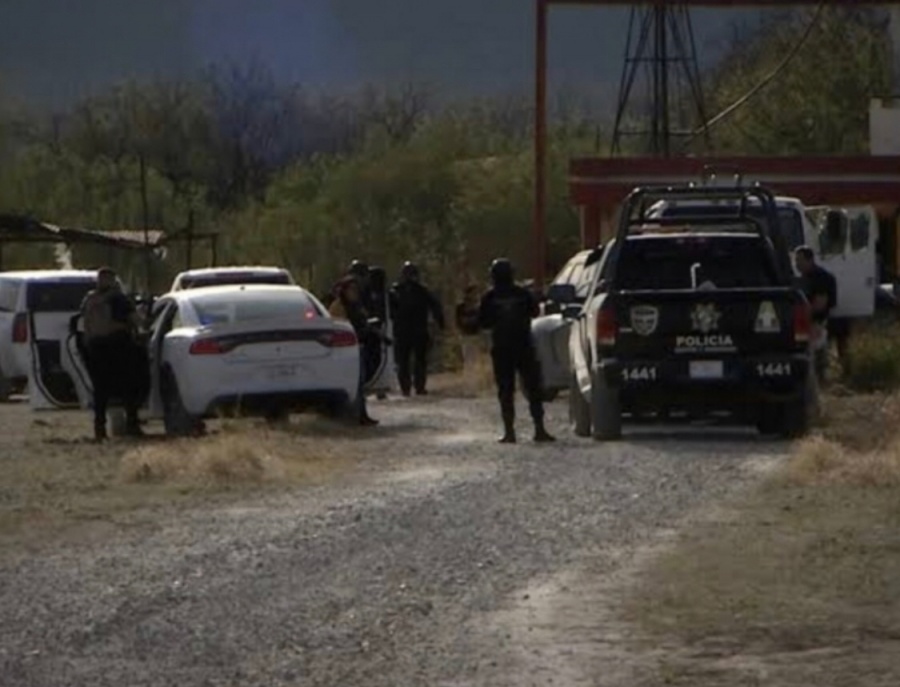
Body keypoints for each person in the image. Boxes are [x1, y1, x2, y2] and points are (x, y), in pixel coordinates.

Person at [478, 258, 554, 444]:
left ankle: (509, 432)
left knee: (505, 391)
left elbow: (483, 322)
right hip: (523, 346)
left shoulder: (490, 297)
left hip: (502, 349)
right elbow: (535, 312)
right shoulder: (522, 294)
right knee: (533, 389)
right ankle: (539, 429)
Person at [77, 267, 146, 441]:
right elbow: (136, 320)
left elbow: (82, 324)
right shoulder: (118, 299)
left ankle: (99, 429)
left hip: (94, 350)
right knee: (128, 388)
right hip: (119, 347)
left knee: (100, 391)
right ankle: (131, 425)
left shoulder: (89, 299)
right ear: (112, 280)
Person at [389, 262, 445, 396]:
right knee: (408, 361)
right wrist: (440, 322)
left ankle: (412, 387)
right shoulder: (397, 291)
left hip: (413, 330)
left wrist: (440, 322)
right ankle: (411, 387)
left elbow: (435, 306)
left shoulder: (418, 291)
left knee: (412, 360)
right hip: (409, 330)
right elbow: (435, 307)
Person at [328, 277, 379, 426]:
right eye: (352, 290)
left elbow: (364, 321)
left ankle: (361, 415)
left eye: (356, 290)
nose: (355, 293)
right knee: (352, 384)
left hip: (359, 347)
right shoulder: (337, 307)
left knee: (360, 384)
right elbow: (339, 327)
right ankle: (351, 416)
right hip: (346, 350)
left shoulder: (357, 306)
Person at [794, 246, 838, 382]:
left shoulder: (820, 278)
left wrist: (801, 313)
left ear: (810, 260)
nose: (797, 264)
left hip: (816, 323)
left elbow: (820, 304)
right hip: (805, 323)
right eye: (796, 260)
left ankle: (819, 382)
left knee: (815, 354)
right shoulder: (805, 277)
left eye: (799, 260)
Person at [455, 284, 482, 390]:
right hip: (465, 335)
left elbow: (480, 321)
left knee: (474, 359)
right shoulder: (461, 307)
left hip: (475, 335)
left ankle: (475, 383)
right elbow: (459, 321)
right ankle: (468, 384)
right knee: (468, 359)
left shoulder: (477, 307)